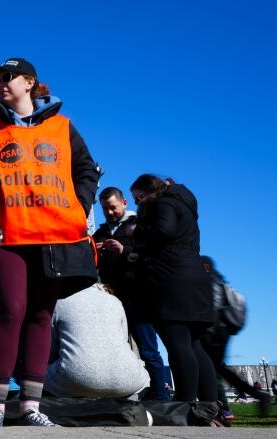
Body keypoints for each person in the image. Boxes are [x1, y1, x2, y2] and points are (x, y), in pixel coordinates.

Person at [0, 57, 99, 427]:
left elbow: (87, 169)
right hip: (11, 235)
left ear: (28, 82)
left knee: (41, 315)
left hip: (55, 234)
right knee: (11, 311)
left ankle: (31, 406)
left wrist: (81, 204)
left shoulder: (62, 128)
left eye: (7, 78)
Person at [128, 174, 217, 425]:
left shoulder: (163, 203)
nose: (138, 204)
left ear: (149, 192)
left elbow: (162, 230)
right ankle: (211, 407)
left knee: (177, 343)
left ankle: (184, 406)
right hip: (194, 276)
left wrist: (138, 230)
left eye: (138, 198)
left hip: (172, 279)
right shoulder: (184, 204)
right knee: (195, 345)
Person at [93, 187, 169, 400]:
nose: (109, 213)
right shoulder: (100, 233)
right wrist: (94, 251)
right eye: (105, 209)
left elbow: (150, 256)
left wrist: (123, 250)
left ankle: (160, 394)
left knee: (147, 349)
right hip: (110, 299)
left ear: (124, 203)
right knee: (114, 347)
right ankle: (117, 392)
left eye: (113, 208)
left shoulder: (140, 226)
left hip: (137, 297)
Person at [44, 284, 150, 398]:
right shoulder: (115, 301)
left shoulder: (59, 301)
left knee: (35, 375)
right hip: (129, 380)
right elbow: (124, 340)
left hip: (75, 379)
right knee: (140, 378)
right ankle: (129, 406)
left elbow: (52, 350)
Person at [199, 255, 269, 421]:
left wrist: (205, 330)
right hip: (222, 331)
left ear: (206, 266)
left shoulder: (211, 281)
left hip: (213, 331)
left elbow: (214, 308)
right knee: (219, 369)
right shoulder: (220, 281)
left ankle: (224, 409)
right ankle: (257, 395)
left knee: (212, 370)